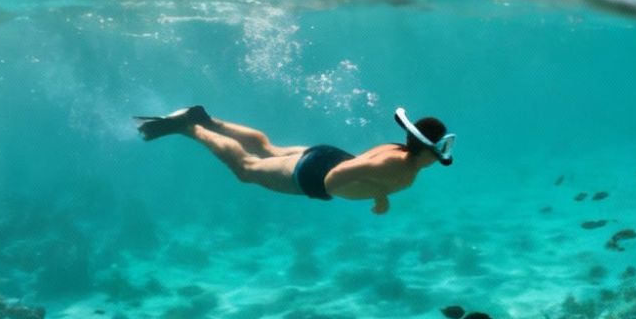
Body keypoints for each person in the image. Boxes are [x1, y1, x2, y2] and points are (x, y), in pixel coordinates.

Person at [134, 105, 452, 214]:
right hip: (314, 173)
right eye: (437, 154)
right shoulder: (404, 172)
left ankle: (208, 120)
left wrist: (379, 194)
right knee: (247, 169)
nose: (439, 160)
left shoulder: (398, 151)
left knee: (268, 149)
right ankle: (190, 128)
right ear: (425, 149)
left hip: (323, 155)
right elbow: (342, 175)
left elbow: (371, 171)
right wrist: (325, 190)